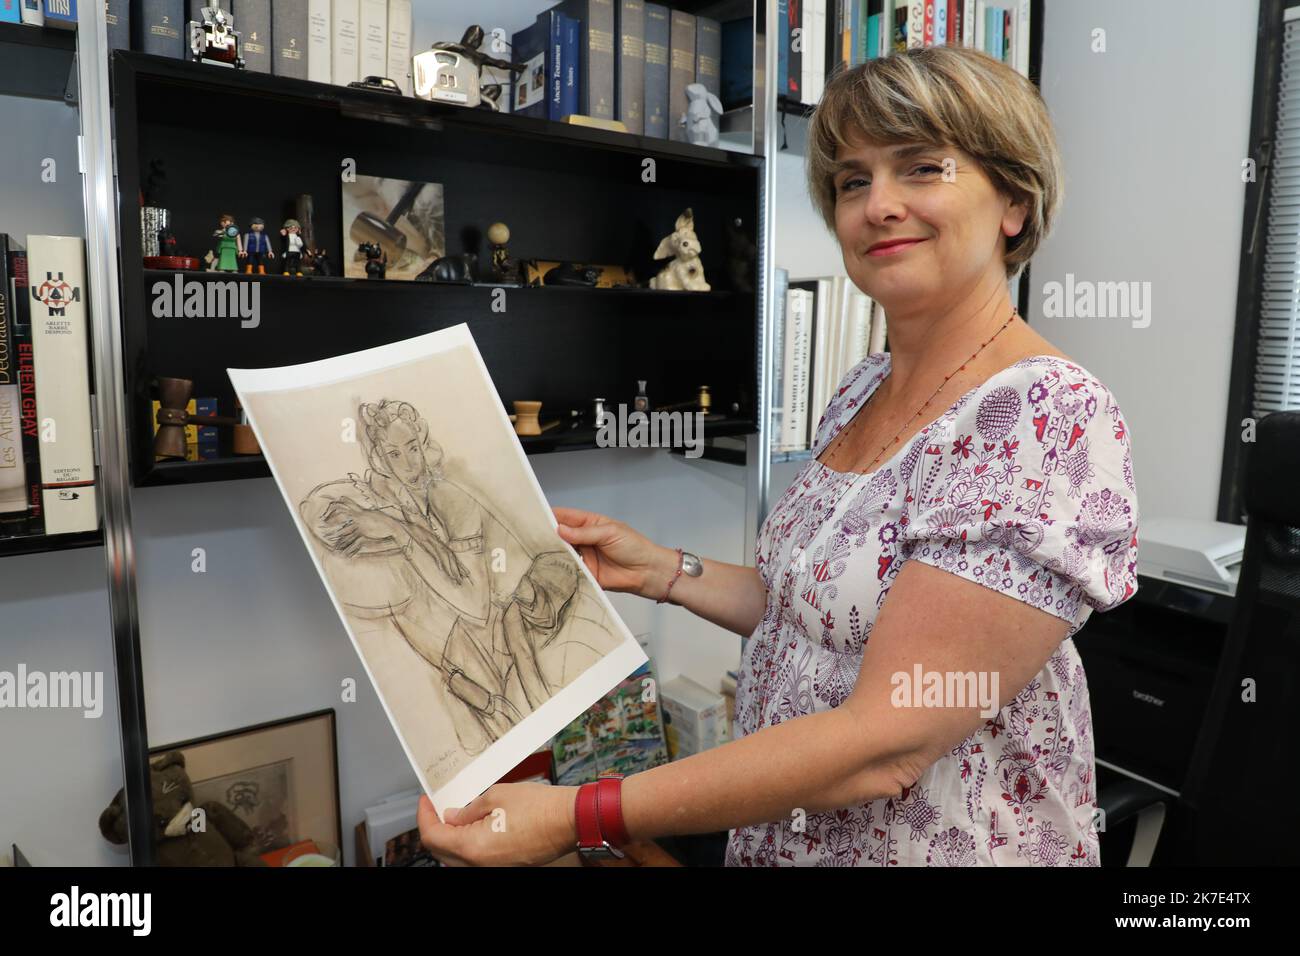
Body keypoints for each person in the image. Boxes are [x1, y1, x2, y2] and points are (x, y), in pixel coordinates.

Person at [417, 45, 1140, 867]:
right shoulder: (864, 387)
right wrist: (663, 570)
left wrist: (579, 816)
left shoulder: (1041, 415)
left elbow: (884, 743)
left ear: (1014, 200)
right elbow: (817, 616)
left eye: (921, 168)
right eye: (853, 181)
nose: (879, 205)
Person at [300, 400, 619, 756]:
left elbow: (475, 603)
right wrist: (400, 529)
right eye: (394, 455)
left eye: (412, 448)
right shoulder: (384, 501)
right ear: (380, 461)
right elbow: (315, 511)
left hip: (522, 601)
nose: (408, 463)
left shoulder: (450, 498)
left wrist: (404, 535)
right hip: (466, 645)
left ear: (423, 444)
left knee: (515, 647)